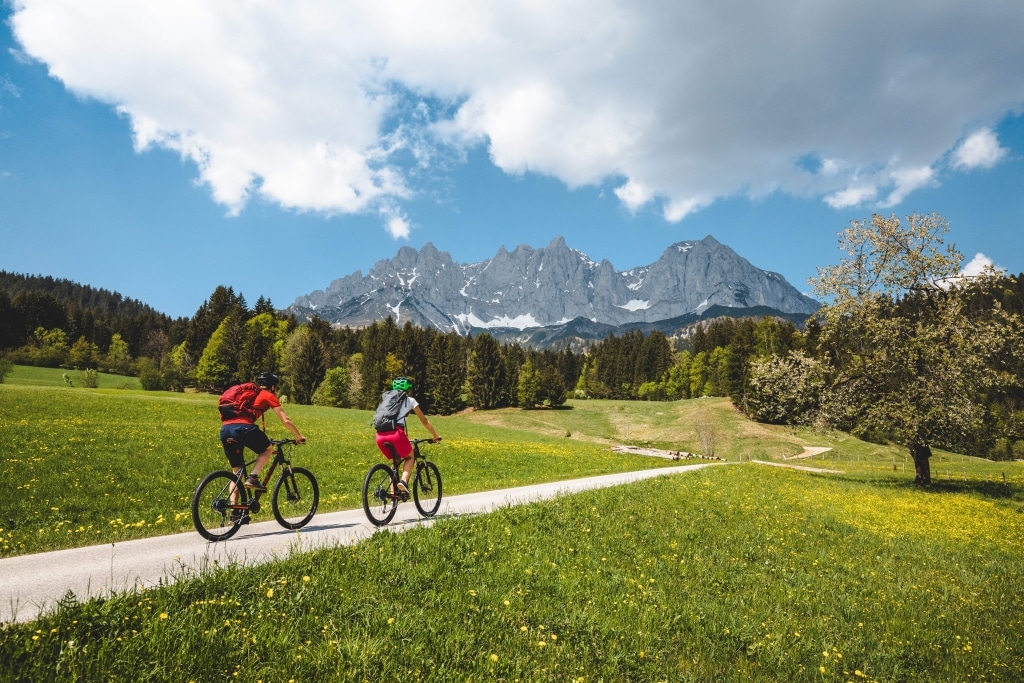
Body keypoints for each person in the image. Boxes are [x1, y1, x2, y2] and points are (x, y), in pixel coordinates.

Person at [220, 372, 306, 499]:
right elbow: (285, 420)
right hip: (242, 428)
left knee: (237, 473)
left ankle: (236, 513)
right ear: (272, 386)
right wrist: (299, 436)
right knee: (268, 449)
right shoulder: (268, 395)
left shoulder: (249, 396)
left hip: (225, 430)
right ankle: (253, 478)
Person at [374, 376, 441, 497]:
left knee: (396, 460)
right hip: (396, 434)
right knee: (410, 457)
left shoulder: (387, 400)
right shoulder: (410, 401)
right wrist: (435, 435)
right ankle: (403, 482)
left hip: (379, 435)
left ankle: (394, 494)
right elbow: (424, 420)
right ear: (408, 389)